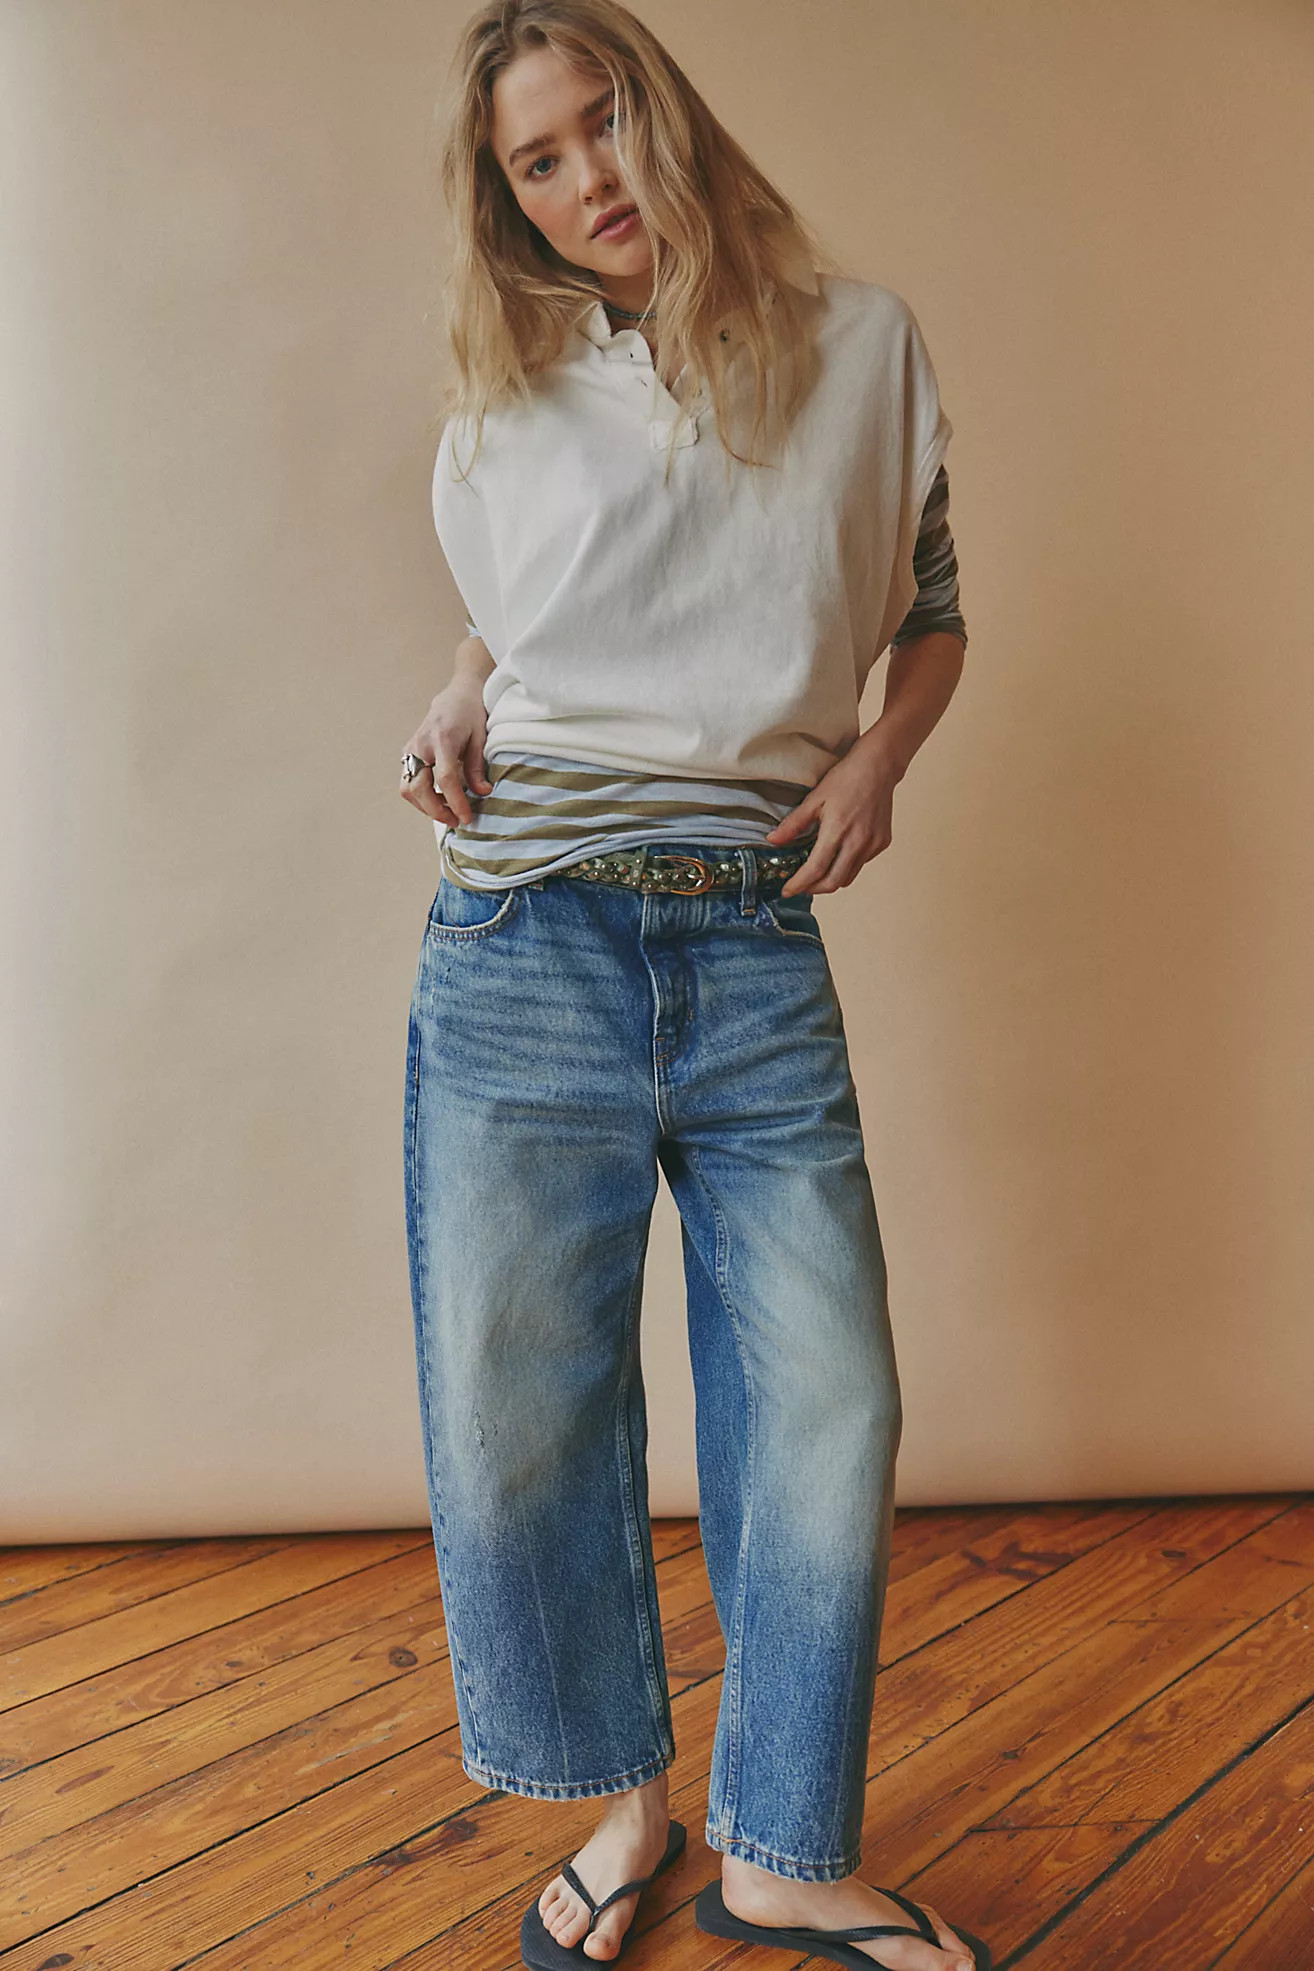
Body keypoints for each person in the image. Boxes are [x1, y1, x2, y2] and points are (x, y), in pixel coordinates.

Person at [399, 5, 988, 1968]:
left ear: (669, 115)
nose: (588, 181)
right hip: (523, 936)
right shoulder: (509, 391)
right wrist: (457, 690)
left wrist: (877, 761)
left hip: (748, 935)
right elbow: (522, 619)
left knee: (828, 1397)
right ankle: (624, 1803)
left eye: (604, 125)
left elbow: (929, 616)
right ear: (510, 200)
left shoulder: (863, 348)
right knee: (521, 1409)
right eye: (538, 161)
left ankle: (781, 1847)